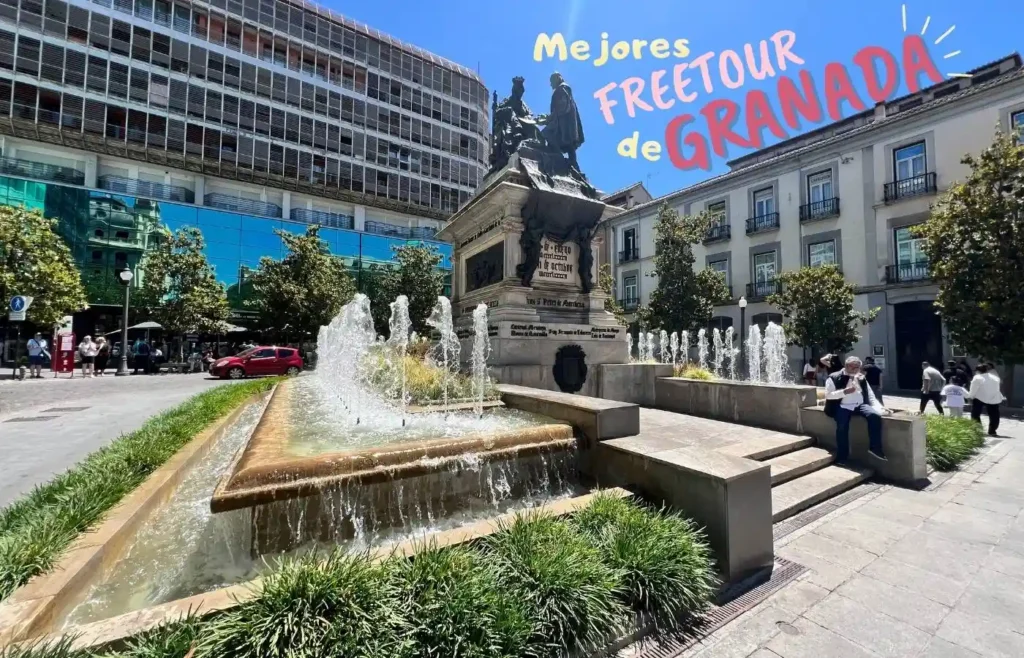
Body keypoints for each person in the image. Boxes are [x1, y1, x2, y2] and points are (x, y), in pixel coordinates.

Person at [824, 356, 888, 462]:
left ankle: (875, 448)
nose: (855, 369)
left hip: (859, 405)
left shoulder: (861, 377)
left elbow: (870, 395)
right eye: (852, 367)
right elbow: (828, 395)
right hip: (843, 406)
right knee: (842, 428)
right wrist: (844, 392)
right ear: (846, 366)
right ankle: (842, 457)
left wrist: (880, 407)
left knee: (874, 416)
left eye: (857, 367)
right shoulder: (834, 377)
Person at [970, 364, 1005, 436]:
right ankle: (992, 431)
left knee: (975, 414)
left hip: (980, 397)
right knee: (994, 415)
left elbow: (973, 389)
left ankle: (978, 430)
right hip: (993, 398)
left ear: (978, 371)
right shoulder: (995, 378)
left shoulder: (977, 377)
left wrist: (971, 396)